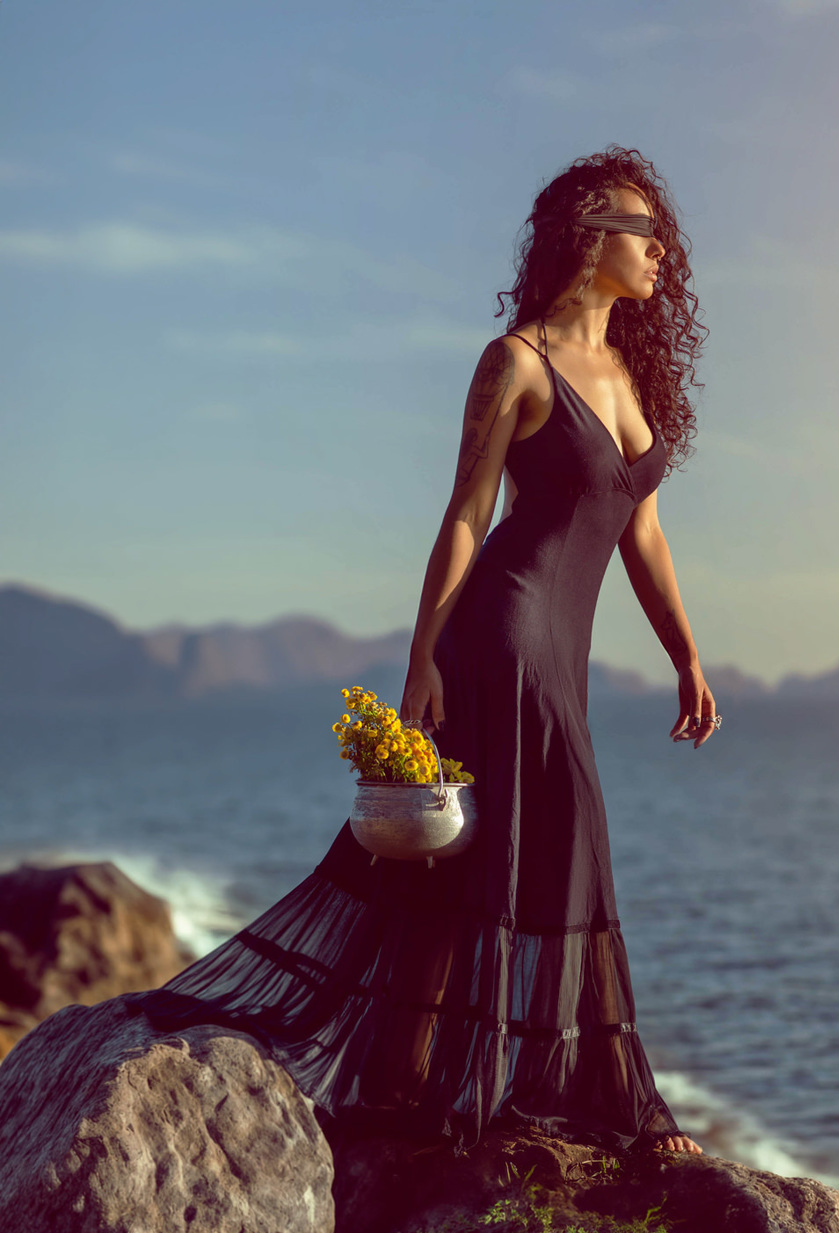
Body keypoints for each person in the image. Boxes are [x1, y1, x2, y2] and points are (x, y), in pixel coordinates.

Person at [145, 147, 717, 1155]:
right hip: (501, 628)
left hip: (562, 647)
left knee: (472, 865)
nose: (661, 248)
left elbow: (646, 535)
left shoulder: (629, 375)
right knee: (557, 829)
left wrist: (687, 655)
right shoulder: (516, 362)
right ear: (589, 236)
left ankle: (413, 1087)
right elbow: (465, 515)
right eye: (642, 227)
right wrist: (422, 661)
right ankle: (595, 1098)